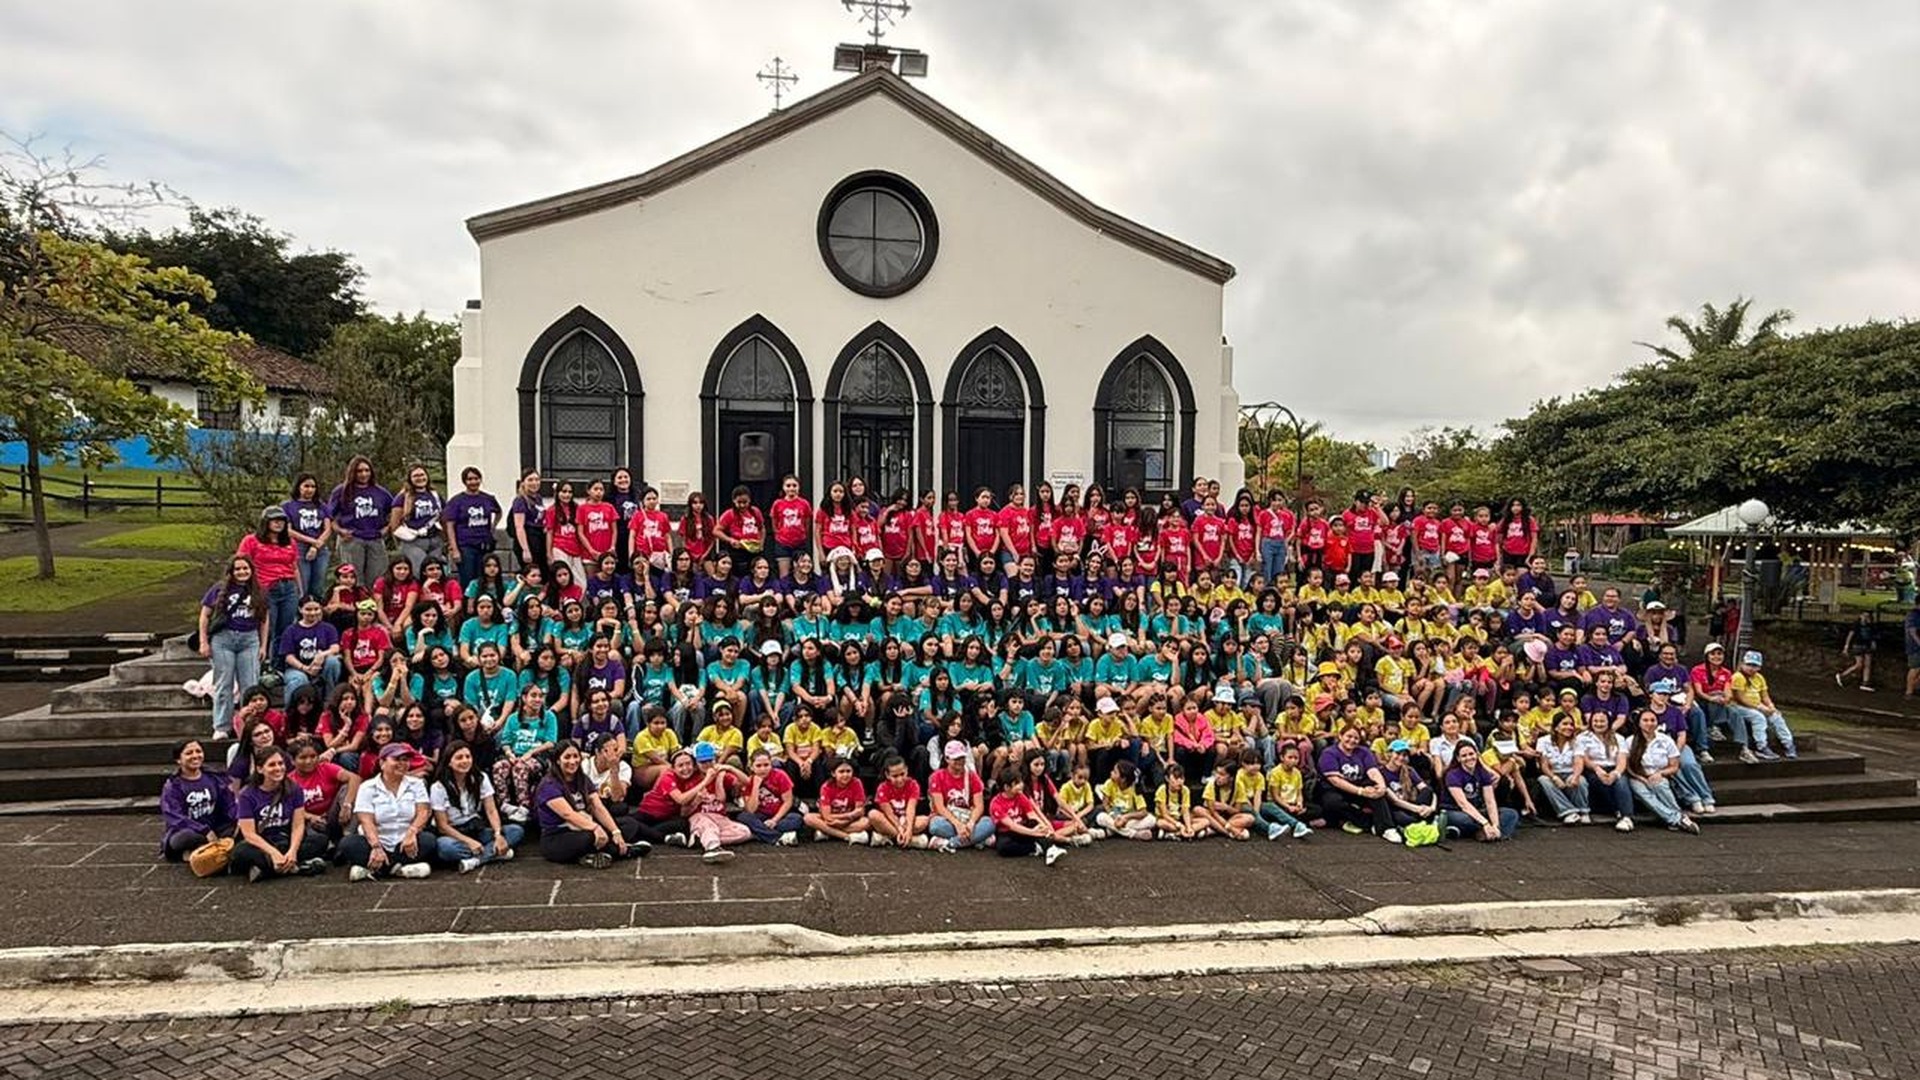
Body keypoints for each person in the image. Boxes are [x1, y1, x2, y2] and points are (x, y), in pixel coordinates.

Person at [230, 746, 330, 883]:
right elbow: (249, 834)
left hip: (285, 839)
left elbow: (298, 825)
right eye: (272, 765)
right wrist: (273, 853)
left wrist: (293, 851)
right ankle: (297, 868)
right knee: (241, 852)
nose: (278, 768)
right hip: (262, 843)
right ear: (260, 769)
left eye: (280, 763)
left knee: (320, 840)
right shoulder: (247, 795)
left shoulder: (294, 789)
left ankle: (269, 869)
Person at [339, 743, 436, 880]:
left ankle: (377, 870)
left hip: (407, 841)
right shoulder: (367, 787)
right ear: (382, 763)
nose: (402, 764)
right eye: (397, 759)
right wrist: (376, 846)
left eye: (405, 760)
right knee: (348, 844)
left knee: (429, 841)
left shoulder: (416, 783)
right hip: (378, 840)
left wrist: (412, 832)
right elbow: (366, 820)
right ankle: (399, 869)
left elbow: (423, 812)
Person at [198, 555, 269, 738]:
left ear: (251, 570)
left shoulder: (259, 590)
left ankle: (250, 723)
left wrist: (263, 645)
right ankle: (222, 725)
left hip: (249, 639)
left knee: (250, 684)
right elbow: (205, 615)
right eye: (237, 569)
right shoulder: (219, 589)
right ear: (231, 571)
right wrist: (204, 642)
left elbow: (264, 620)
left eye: (245, 568)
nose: (242, 572)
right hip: (223, 639)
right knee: (224, 684)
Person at [430, 740, 523, 873]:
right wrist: (469, 842)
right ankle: (494, 853)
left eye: (468, 757)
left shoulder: (480, 778)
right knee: (445, 848)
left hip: (477, 828)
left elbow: (491, 810)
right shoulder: (439, 787)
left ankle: (476, 860)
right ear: (449, 762)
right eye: (459, 758)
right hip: (455, 834)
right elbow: (443, 826)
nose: (465, 761)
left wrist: (498, 835)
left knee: (515, 831)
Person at [1624, 709, 1701, 834]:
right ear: (1639, 723)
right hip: (1637, 776)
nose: (1649, 723)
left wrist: (1660, 773)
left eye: (1652, 720)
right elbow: (1627, 767)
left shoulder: (1666, 740)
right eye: (1645, 720)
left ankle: (1674, 818)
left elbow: (1674, 766)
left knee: (1661, 785)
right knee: (1642, 792)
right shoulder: (1630, 741)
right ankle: (1678, 818)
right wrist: (1641, 778)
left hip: (1660, 773)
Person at [159, 739, 236, 862]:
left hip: (216, 828)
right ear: (179, 759)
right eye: (189, 753)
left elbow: (228, 804)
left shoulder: (214, 778)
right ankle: (208, 849)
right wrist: (204, 830)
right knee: (183, 839)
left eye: (198, 751)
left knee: (237, 828)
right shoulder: (173, 786)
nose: (195, 756)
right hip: (191, 831)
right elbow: (174, 816)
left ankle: (202, 851)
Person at [988, 768, 1069, 864]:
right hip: (1007, 832)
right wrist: (1032, 832)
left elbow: (1032, 815)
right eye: (1017, 783)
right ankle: (1036, 848)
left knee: (1035, 823)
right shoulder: (996, 803)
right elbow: (1011, 825)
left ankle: (1050, 849)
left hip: (1024, 827)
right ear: (1006, 787)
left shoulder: (1020, 796)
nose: (1021, 785)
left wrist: (1043, 827)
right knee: (1003, 847)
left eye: (1020, 782)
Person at [1727, 650, 1797, 762]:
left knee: (1776, 717)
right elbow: (1740, 698)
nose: (1751, 668)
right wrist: (1759, 707)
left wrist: (1770, 706)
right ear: (1743, 664)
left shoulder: (1759, 678)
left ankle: (1788, 743)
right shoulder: (1738, 677)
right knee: (1758, 717)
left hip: (1758, 705)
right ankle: (1761, 746)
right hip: (1739, 706)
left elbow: (1765, 696)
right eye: (1748, 664)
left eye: (1754, 665)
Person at [1442, 742, 1517, 842]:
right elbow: (1463, 804)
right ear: (1458, 758)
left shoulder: (1482, 772)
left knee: (1511, 814)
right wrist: (1485, 823)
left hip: (1477, 809)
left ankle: (1493, 833)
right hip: (1457, 810)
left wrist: (1495, 825)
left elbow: (1490, 801)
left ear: (1477, 755)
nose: (1469, 758)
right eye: (1464, 756)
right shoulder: (1452, 775)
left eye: (1471, 754)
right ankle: (1485, 831)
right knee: (1462, 819)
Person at [928, 740, 993, 850]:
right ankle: (977, 839)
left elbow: (979, 806)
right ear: (947, 759)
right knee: (935, 826)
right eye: (956, 758)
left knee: (989, 823)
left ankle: (951, 843)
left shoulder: (972, 777)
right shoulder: (937, 777)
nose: (960, 761)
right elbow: (939, 807)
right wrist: (957, 824)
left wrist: (971, 823)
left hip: (968, 818)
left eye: (962, 758)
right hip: (947, 819)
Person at [1835, 612, 1876, 692]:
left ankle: (1865, 683)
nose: (1866, 618)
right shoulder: (1856, 625)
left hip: (1867, 645)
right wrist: (1846, 646)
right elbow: (1850, 636)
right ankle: (1843, 675)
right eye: (1864, 616)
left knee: (1868, 664)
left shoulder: (1870, 625)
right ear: (1860, 616)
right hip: (1858, 645)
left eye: (1867, 616)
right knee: (1859, 664)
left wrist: (1873, 642)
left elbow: (1872, 635)